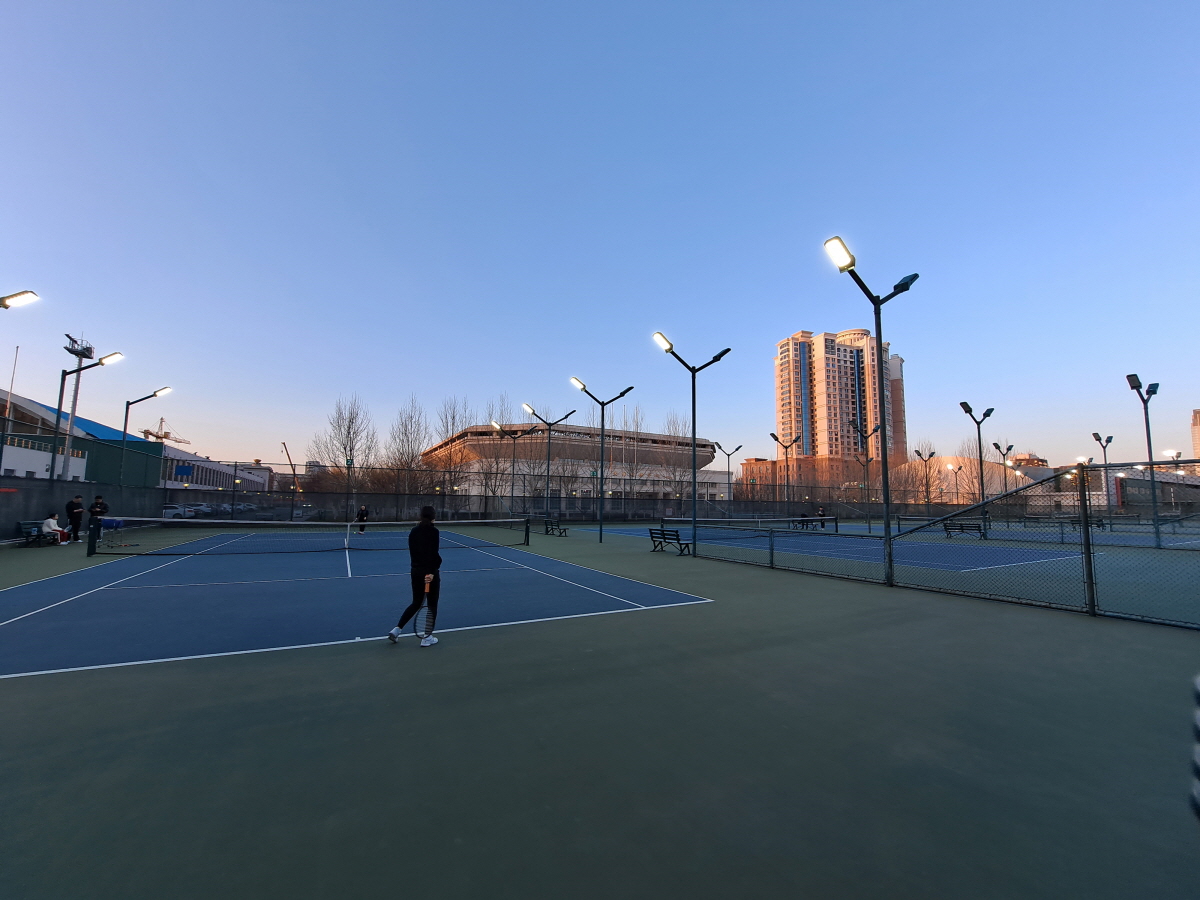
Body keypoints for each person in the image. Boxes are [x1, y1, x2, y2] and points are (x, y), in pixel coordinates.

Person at [389, 505, 441, 647]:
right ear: (433, 517)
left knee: (416, 602)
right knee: (432, 605)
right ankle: (427, 638)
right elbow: (433, 554)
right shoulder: (434, 532)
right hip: (430, 573)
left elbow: (415, 553)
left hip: (416, 572)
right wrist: (431, 573)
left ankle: (397, 630)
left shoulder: (414, 531)